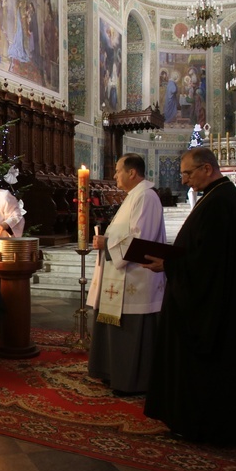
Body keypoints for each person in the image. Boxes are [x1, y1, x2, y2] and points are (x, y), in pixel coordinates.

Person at [142, 147, 236, 445]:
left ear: (206, 169)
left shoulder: (219, 202)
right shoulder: (218, 197)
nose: (185, 180)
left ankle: (200, 424)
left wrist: (170, 263)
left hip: (209, 305)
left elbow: (208, 261)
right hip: (208, 295)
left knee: (199, 368)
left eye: (188, 173)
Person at [86, 154, 166, 395]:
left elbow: (140, 239)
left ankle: (131, 380)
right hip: (124, 278)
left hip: (137, 280)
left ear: (132, 173)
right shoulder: (135, 196)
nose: (114, 175)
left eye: (118, 170)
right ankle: (114, 374)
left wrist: (106, 243)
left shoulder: (145, 196)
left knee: (132, 334)